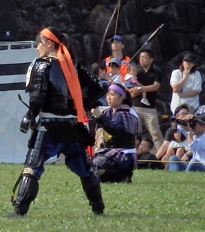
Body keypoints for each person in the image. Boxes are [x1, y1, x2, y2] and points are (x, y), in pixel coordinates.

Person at [9, 27, 106, 217]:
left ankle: (20, 210)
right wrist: (84, 103)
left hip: (49, 126)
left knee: (32, 167)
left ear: (49, 43)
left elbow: (38, 96)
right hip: (72, 126)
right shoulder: (74, 66)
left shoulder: (42, 65)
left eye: (39, 42)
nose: (37, 47)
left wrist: (29, 116)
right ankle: (98, 208)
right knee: (85, 170)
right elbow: (100, 86)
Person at [90, 85, 139, 183]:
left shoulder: (125, 113)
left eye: (112, 95)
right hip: (109, 151)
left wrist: (100, 117)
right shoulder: (107, 112)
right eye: (108, 94)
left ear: (122, 97)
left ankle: (122, 176)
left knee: (97, 165)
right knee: (89, 166)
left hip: (124, 154)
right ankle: (119, 177)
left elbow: (115, 130)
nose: (109, 97)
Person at [129, 50, 164, 150]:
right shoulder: (136, 71)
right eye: (140, 57)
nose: (141, 59)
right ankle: (134, 157)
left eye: (144, 57)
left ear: (151, 59)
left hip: (150, 107)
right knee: (135, 134)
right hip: (135, 106)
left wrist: (141, 89)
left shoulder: (157, 72)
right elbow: (129, 86)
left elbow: (156, 86)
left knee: (155, 133)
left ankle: (162, 158)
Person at [167, 105, 205, 172]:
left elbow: (193, 147)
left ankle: (184, 177)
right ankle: (174, 177)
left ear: (203, 126)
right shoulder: (196, 135)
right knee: (173, 158)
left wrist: (189, 131)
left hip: (202, 167)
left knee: (194, 162)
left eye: (195, 124)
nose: (192, 126)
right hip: (195, 166)